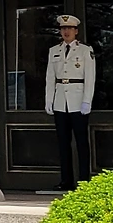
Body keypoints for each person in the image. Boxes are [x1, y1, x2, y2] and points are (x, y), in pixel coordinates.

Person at [44, 14, 96, 191]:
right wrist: (49, 99)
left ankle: (83, 180)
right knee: (63, 142)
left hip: (78, 100)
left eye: (69, 29)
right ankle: (66, 180)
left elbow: (90, 78)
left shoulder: (85, 50)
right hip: (60, 100)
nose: (66, 32)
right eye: (63, 29)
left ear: (76, 31)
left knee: (81, 141)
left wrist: (87, 101)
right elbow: (50, 77)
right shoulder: (54, 50)